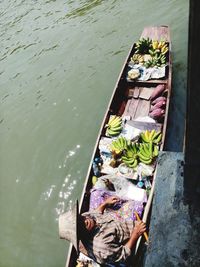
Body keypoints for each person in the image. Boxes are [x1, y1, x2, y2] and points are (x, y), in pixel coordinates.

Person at [59, 197, 146, 266]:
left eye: (80, 219)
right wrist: (136, 234)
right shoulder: (101, 246)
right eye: (81, 226)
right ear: (80, 235)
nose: (85, 221)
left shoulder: (84, 217)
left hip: (115, 222)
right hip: (130, 235)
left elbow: (95, 213)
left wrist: (105, 204)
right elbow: (124, 254)